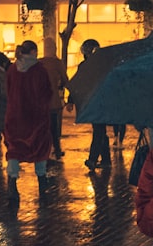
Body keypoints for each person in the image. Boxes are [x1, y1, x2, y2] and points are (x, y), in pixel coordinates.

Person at [4, 40, 53, 201]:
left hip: (15, 116)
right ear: (33, 52)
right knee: (40, 148)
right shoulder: (40, 71)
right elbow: (47, 93)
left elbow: (8, 90)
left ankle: (12, 183)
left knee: (14, 149)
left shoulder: (12, 69)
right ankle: (42, 182)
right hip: (36, 117)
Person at [71, 39, 111, 173]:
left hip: (96, 101)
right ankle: (106, 160)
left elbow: (78, 83)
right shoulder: (102, 65)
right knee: (101, 131)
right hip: (99, 101)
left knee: (99, 130)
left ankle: (93, 159)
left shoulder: (87, 66)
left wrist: (72, 99)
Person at [38, 37, 70, 159]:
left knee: (44, 126)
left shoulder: (39, 62)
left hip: (40, 100)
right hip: (53, 100)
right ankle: (56, 149)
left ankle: (46, 149)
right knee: (53, 126)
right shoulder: (57, 63)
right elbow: (65, 79)